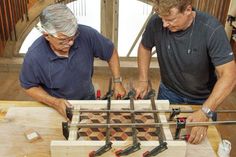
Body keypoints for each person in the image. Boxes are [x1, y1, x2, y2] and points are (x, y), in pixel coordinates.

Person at [135, 0, 236, 144]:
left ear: (188, 10)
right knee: (163, 142)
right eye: (162, 18)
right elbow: (145, 47)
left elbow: (229, 75)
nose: (164, 24)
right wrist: (143, 80)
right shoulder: (156, 22)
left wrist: (206, 112)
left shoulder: (211, 29)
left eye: (170, 19)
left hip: (203, 100)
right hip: (168, 92)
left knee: (199, 146)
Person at [19, 4, 126, 118]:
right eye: (63, 40)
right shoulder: (35, 56)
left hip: (88, 98)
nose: (70, 43)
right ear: (47, 36)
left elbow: (111, 52)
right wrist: (54, 102)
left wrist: (117, 82)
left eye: (73, 37)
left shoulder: (87, 35)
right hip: (57, 106)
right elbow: (29, 86)